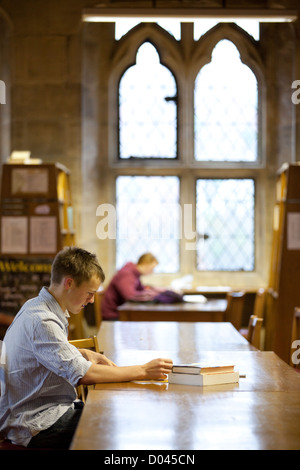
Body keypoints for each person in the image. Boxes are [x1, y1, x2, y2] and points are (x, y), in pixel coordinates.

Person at [0, 247, 173, 449]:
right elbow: (83, 375)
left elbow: (45, 353)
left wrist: (82, 353)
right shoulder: (42, 320)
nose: (91, 301)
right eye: (90, 293)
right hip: (34, 423)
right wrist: (143, 370)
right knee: (116, 424)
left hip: (39, 410)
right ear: (69, 283)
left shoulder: (37, 305)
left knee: (112, 411)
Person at [102, 253, 163, 320]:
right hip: (113, 315)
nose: (152, 272)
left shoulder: (135, 274)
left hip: (121, 312)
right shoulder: (127, 274)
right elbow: (130, 296)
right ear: (146, 264)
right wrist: (152, 295)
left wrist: (153, 290)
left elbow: (141, 289)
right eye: (152, 268)